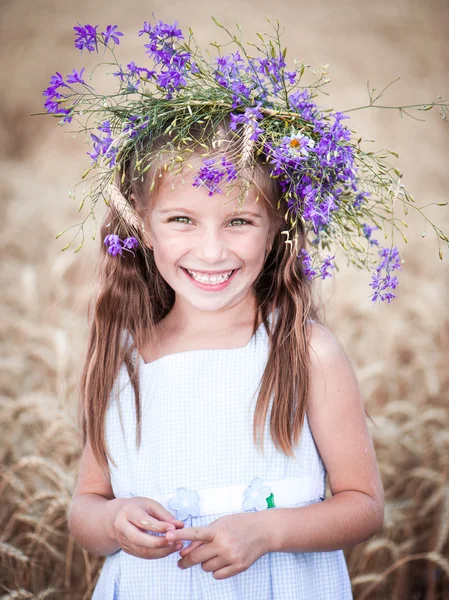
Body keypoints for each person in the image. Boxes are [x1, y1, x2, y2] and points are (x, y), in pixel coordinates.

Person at [67, 117, 385, 599]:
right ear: (143, 226)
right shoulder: (124, 360)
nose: (212, 251)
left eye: (239, 220)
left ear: (278, 225)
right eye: (181, 219)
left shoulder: (303, 351)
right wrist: (112, 521)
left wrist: (266, 532)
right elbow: (84, 509)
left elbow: (363, 505)